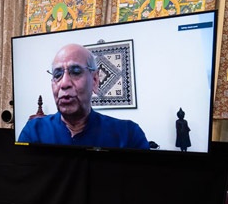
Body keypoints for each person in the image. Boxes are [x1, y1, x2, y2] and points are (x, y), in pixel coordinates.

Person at [18, 44, 149, 149]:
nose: (64, 83)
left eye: (75, 72)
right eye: (57, 75)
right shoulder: (33, 132)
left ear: (95, 80)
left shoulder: (128, 135)